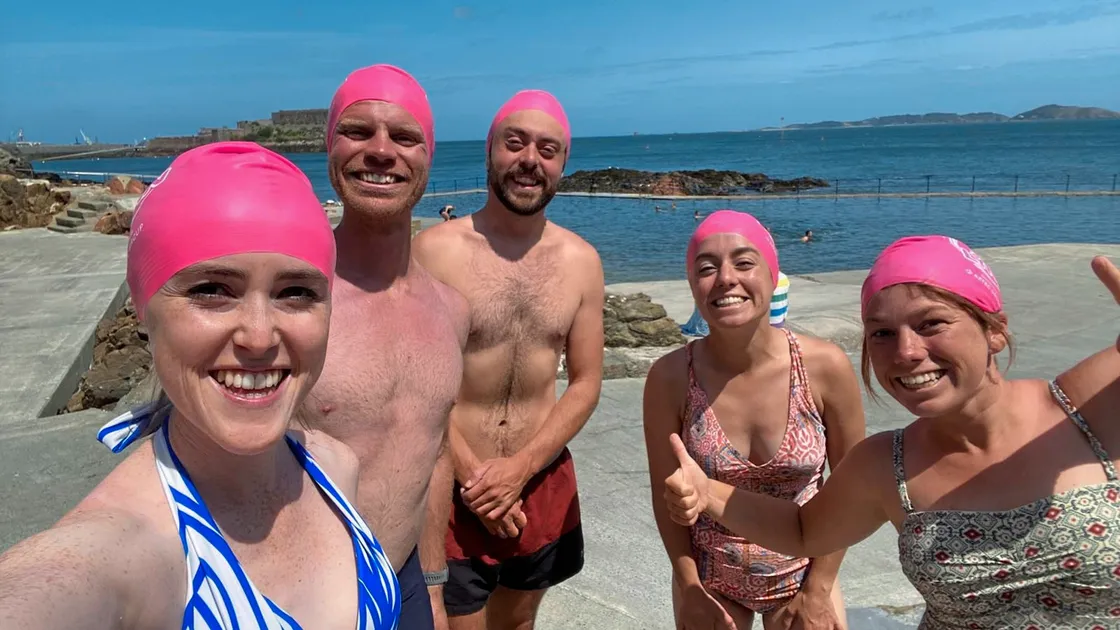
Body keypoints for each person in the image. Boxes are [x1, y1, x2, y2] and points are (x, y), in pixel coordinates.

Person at [0, 142, 401, 629]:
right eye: (211, 290)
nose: (258, 335)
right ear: (145, 310)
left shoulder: (334, 467)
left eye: (295, 292)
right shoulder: (125, 552)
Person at [664, 236, 1120, 629]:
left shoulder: (1088, 403)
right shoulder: (886, 464)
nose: (906, 352)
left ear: (995, 330)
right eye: (881, 333)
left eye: (931, 324)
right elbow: (804, 531)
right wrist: (708, 493)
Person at [412, 89, 604, 629]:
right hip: (452, 484)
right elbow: (419, 379)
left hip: (538, 481)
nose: (529, 160)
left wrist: (519, 469)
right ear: (490, 151)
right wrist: (477, 480)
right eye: (514, 143)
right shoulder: (435, 250)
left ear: (563, 163)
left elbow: (587, 382)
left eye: (548, 149)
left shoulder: (582, 262)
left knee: (518, 624)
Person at [302, 64, 470, 630]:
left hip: (405, 589)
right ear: (330, 146)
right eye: (357, 131)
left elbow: (432, 454)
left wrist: (435, 587)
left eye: (404, 137)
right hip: (294, 597)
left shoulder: (452, 310)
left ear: (428, 156)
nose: (381, 151)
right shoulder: (290, 301)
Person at [644, 210, 864, 630]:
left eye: (744, 263)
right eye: (706, 268)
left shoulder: (823, 367)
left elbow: (851, 491)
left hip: (804, 570)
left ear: (771, 273)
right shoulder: (670, 377)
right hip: (710, 576)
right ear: (693, 286)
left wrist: (819, 589)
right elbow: (663, 494)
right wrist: (689, 585)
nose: (726, 278)